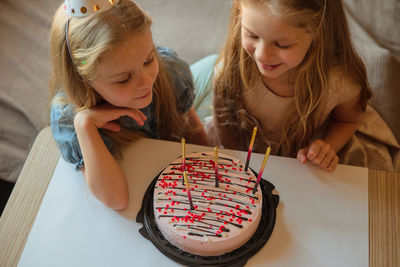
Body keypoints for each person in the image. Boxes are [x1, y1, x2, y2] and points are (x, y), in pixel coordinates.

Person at [192, 0, 400, 172]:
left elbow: (348, 120)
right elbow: (224, 124)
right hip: (245, 154)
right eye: (252, 35)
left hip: (310, 162)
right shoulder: (230, 69)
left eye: (282, 45)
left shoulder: (339, 82)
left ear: (319, 31)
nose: (262, 55)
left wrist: (328, 146)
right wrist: (240, 162)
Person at [49, 0, 207, 210]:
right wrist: (85, 126)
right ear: (83, 80)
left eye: (149, 59)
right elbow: (117, 200)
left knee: (214, 64)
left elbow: (198, 137)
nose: (146, 82)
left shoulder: (169, 74)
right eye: (123, 79)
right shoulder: (68, 118)